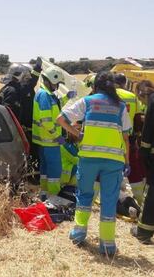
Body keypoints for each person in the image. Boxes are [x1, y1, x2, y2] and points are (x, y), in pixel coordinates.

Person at [57, 71, 131, 255]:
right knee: (109, 199)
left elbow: (61, 118)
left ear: (95, 86)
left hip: (89, 158)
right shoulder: (120, 107)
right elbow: (126, 137)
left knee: (84, 195)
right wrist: (127, 161)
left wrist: (77, 134)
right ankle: (107, 244)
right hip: (114, 161)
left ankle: (78, 234)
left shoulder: (88, 102)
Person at [0, 58, 42, 182]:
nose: (27, 79)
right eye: (26, 76)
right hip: (20, 131)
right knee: (31, 156)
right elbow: (9, 112)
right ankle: (32, 181)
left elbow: (31, 83)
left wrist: (37, 70)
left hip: (14, 131)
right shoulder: (14, 90)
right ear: (20, 76)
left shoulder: (7, 88)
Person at [32, 65, 70, 196]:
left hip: (44, 141)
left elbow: (56, 107)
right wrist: (57, 136)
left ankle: (44, 193)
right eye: (57, 83)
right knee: (54, 170)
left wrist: (67, 97)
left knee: (45, 170)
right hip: (50, 141)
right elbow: (46, 120)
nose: (58, 86)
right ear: (50, 80)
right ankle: (54, 195)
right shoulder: (44, 96)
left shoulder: (47, 94)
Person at [114, 73, 146, 204]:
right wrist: (138, 135)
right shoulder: (131, 96)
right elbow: (138, 119)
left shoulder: (106, 95)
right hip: (129, 140)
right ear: (124, 83)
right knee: (134, 171)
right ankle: (141, 201)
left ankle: (116, 197)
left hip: (110, 140)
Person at [131, 80, 154, 244]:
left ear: (141, 93)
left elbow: (148, 130)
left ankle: (143, 232)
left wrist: (143, 152)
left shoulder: (152, 100)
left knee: (151, 195)